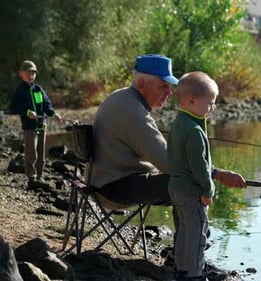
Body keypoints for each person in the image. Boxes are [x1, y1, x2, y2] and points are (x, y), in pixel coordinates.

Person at [89, 54, 246, 258]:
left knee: (183, 182)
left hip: (103, 181)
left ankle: (188, 250)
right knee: (188, 184)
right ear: (142, 84)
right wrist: (216, 174)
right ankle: (188, 255)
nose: (169, 92)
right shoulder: (133, 112)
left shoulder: (123, 98)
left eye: (170, 86)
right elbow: (171, 165)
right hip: (112, 188)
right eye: (163, 86)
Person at [167, 71, 246, 281]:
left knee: (184, 231)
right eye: (210, 103)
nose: (212, 108)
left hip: (176, 187)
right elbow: (199, 165)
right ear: (192, 101)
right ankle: (194, 274)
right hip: (192, 191)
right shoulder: (194, 130)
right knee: (197, 233)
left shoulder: (179, 123)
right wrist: (207, 188)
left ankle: (181, 270)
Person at [10, 60, 62, 187]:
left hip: (42, 125)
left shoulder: (39, 90)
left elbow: (46, 106)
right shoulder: (20, 91)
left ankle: (40, 176)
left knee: (41, 152)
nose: (31, 75)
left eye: (33, 73)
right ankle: (31, 178)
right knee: (30, 152)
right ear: (21, 74)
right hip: (29, 127)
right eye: (28, 73)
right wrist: (27, 112)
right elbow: (14, 107)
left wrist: (53, 114)